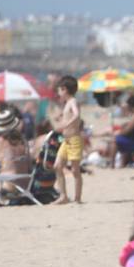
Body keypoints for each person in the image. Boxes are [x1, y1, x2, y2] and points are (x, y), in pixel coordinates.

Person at [51, 76, 85, 204]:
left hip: (74, 140)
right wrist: (60, 118)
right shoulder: (67, 104)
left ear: (65, 89)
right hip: (66, 141)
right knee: (57, 166)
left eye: (59, 90)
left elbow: (76, 115)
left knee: (75, 170)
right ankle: (63, 196)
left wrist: (66, 124)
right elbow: (69, 116)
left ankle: (77, 198)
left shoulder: (73, 101)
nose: (58, 93)